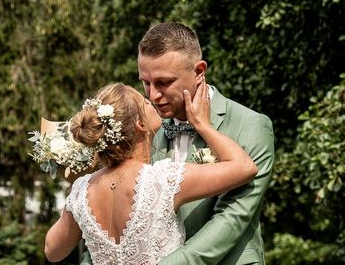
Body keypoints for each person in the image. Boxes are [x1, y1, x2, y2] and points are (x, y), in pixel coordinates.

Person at [44, 82, 257, 265]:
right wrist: (202, 124)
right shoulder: (162, 180)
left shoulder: (82, 190)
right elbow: (245, 167)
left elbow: (52, 251)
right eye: (145, 101)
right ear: (141, 124)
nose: (151, 100)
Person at [138, 22, 275, 264]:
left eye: (163, 83)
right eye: (145, 82)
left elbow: (233, 217)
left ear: (199, 71)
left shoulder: (251, 125)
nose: (152, 95)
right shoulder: (146, 130)